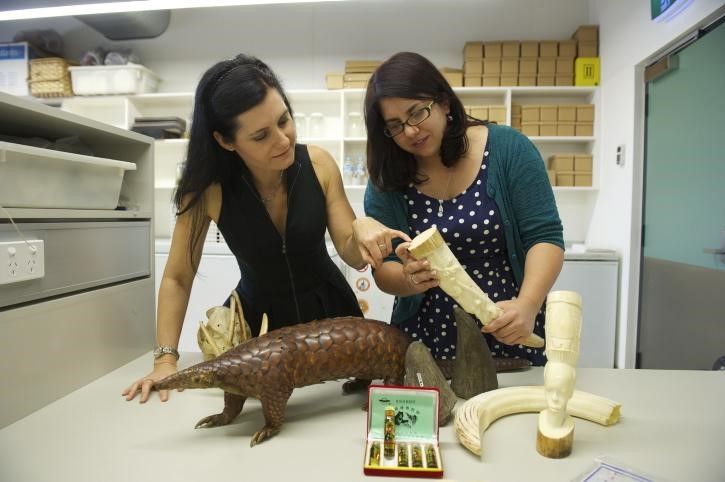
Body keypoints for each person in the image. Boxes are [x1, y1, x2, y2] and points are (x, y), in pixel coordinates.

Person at [123, 54, 407, 403]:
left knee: (337, 418)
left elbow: (349, 247)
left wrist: (362, 232)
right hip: (257, 332)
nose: (283, 140)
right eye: (260, 135)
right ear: (226, 141)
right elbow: (177, 278)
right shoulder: (207, 190)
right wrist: (165, 359)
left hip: (333, 325)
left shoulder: (318, 164)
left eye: (284, 120)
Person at [363, 52, 564, 366]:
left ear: (443, 102)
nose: (411, 131)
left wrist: (527, 304)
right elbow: (384, 268)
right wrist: (408, 279)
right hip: (425, 335)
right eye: (396, 126)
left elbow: (545, 236)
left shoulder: (508, 149)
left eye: (417, 113)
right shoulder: (387, 176)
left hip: (509, 325)